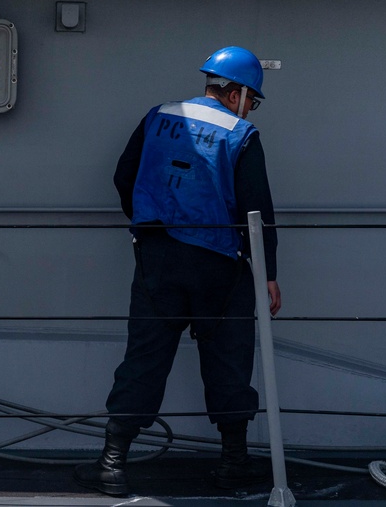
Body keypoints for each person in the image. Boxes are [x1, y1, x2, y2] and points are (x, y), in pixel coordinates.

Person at [74, 46, 282, 495]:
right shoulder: (241, 133)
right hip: (219, 264)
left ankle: (112, 464)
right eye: (254, 99)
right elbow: (256, 208)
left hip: (158, 258)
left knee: (144, 358)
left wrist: (147, 222)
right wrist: (269, 272)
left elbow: (123, 174)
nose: (252, 107)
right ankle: (234, 464)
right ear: (237, 93)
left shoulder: (157, 116)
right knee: (228, 359)